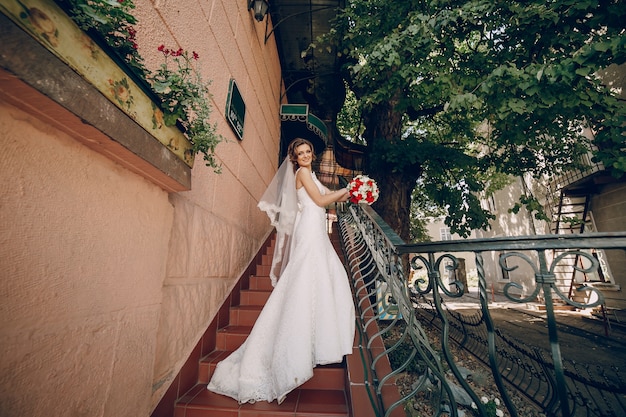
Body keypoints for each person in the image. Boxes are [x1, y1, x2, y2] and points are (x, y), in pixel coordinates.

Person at [207, 138, 356, 404]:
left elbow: (324, 200)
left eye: (308, 151)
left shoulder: (308, 174)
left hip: (315, 232)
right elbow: (321, 201)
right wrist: (350, 189)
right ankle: (294, 353)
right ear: (295, 159)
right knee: (305, 281)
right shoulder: (302, 173)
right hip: (309, 233)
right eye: (301, 153)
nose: (306, 156)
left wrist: (352, 192)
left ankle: (317, 340)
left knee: (327, 278)